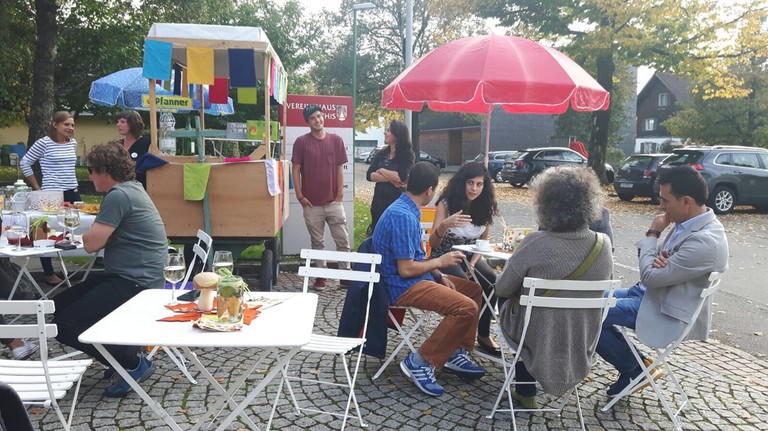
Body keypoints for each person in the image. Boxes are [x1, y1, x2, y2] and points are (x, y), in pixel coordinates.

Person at [596, 165, 729, 396]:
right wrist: (658, 260)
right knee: (585, 299)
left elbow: (650, 275)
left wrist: (653, 233)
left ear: (686, 201)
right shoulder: (689, 224)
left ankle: (635, 369)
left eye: (665, 200)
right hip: (650, 294)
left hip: (664, 310)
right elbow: (655, 267)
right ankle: (635, 366)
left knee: (585, 313)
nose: (661, 206)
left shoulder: (706, 240)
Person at [53, 142, 167, 398]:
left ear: (104, 170)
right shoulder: (131, 188)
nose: (89, 176)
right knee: (57, 307)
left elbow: (91, 244)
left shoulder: (119, 196)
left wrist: (94, 236)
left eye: (91, 170)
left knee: (64, 323)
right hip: (134, 275)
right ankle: (121, 357)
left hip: (137, 282)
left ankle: (132, 363)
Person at [495, 166, 613, 408]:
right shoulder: (603, 245)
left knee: (508, 299)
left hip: (536, 331)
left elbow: (503, 289)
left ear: (545, 204)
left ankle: (526, 389)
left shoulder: (535, 243)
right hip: (579, 335)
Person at [372, 162, 486, 397]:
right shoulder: (403, 216)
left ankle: (455, 352)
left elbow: (416, 257)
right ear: (429, 190)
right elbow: (406, 269)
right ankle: (420, 362)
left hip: (417, 278)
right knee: (466, 308)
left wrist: (439, 274)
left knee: (473, 291)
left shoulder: (407, 210)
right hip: (402, 286)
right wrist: (439, 262)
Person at [429, 161, 501, 356]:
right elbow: (433, 244)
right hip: (445, 254)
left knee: (492, 281)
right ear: (462, 182)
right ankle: (460, 339)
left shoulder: (485, 205)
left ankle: (483, 334)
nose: (474, 189)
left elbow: (483, 243)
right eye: (470, 183)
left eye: (479, 184)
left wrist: (474, 263)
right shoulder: (446, 204)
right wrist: (444, 225)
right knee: (467, 284)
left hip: (470, 257)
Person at [291, 104, 352, 289]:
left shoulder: (336, 140)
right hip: (311, 204)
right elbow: (295, 169)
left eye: (319, 116)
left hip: (334, 202)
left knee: (343, 240)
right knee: (317, 242)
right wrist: (300, 196)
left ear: (323, 116)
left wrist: (340, 194)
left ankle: (345, 274)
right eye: (313, 118)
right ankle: (321, 275)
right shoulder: (301, 142)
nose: (317, 120)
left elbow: (340, 168)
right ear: (308, 122)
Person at [20, 111, 80, 286]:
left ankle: (81, 262)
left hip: (72, 191)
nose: (70, 128)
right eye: (66, 124)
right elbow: (25, 162)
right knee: (43, 230)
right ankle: (48, 272)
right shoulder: (43, 143)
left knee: (77, 227)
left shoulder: (73, 143)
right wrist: (37, 188)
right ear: (55, 124)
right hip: (51, 193)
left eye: (72, 125)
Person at [366, 120, 415, 234]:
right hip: (378, 204)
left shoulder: (407, 155)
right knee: (377, 236)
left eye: (388, 130)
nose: (385, 133)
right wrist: (392, 179)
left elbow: (401, 177)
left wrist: (381, 170)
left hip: (396, 204)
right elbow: (369, 175)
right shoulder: (381, 154)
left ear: (397, 134)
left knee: (394, 235)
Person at [115, 110, 151, 188]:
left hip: (140, 187)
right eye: (118, 122)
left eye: (122, 122)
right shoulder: (117, 145)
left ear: (133, 123)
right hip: (119, 187)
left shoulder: (147, 144)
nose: (118, 124)